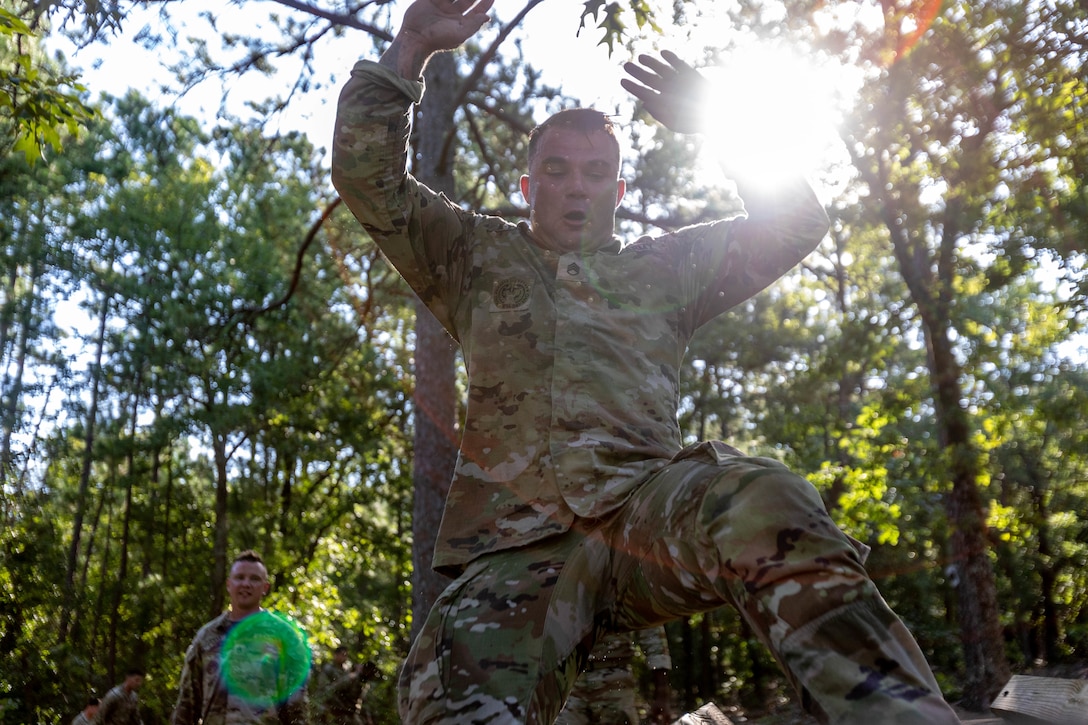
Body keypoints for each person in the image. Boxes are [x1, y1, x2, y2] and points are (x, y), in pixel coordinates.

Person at [331, 0, 963, 722]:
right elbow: (367, 180)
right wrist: (409, 47)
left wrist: (726, 128)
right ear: (528, 186)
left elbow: (796, 222)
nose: (577, 187)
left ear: (620, 192)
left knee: (763, 497)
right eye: (558, 171)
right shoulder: (473, 254)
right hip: (516, 550)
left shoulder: (667, 268)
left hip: (646, 523)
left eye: (597, 173)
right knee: (450, 695)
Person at [170, 550, 309, 725]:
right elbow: (187, 704)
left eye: (254, 579)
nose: (246, 584)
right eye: (240, 577)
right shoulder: (207, 637)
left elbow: (297, 709)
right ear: (229, 584)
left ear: (265, 587)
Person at [556, 627, 673, 725]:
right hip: (570, 683)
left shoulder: (625, 598)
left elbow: (653, 635)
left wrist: (662, 694)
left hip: (615, 683)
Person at [312, 646, 376, 725]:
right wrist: (347, 679)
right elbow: (325, 690)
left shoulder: (347, 670)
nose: (344, 657)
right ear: (335, 655)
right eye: (342, 655)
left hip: (342, 707)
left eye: (346, 655)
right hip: (327, 704)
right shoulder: (328, 669)